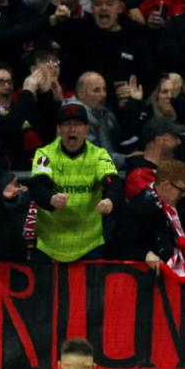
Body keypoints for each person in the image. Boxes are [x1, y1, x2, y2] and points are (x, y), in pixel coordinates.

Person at [27, 103, 121, 262]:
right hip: (49, 244)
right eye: (66, 124)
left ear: (86, 129)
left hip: (89, 245)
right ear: (58, 129)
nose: (72, 129)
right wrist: (50, 198)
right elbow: (38, 184)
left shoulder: (99, 155)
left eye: (77, 124)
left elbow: (112, 180)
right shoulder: (44, 154)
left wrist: (110, 199)